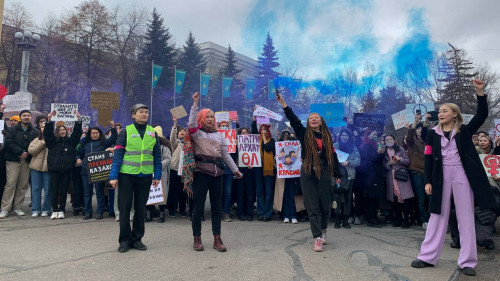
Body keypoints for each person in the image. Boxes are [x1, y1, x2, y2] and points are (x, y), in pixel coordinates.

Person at [412, 79, 497, 277]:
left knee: (465, 217)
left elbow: (481, 114)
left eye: (445, 111)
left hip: (462, 175)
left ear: (455, 115)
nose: (441, 114)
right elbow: (428, 158)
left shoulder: (465, 131)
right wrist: (427, 181)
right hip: (440, 176)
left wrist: (480, 92)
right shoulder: (433, 134)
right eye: (440, 111)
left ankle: (467, 261)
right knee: (437, 215)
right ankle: (427, 256)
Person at [278, 93, 341, 252]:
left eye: (316, 117)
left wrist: (338, 174)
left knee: (325, 206)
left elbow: (333, 156)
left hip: (324, 173)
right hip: (307, 172)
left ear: (321, 121)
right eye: (311, 117)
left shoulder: (328, 137)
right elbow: (293, 120)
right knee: (312, 206)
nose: (313, 119)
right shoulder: (303, 133)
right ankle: (317, 238)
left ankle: (324, 228)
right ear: (308, 121)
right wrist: (284, 104)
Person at [187, 92, 242, 252]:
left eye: (212, 116)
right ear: (202, 118)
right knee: (198, 208)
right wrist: (195, 104)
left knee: (217, 208)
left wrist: (236, 170)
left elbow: (225, 155)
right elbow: (191, 123)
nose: (210, 119)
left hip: (217, 174)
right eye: (207, 116)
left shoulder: (219, 135)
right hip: (202, 173)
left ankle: (217, 238)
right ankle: (197, 238)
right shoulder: (197, 133)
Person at [109, 104, 161, 253]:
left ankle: (137, 239)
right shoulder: (126, 131)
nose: (144, 114)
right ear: (133, 115)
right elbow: (118, 155)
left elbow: (156, 155)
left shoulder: (152, 132)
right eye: (141, 112)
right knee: (124, 209)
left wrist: (157, 175)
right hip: (126, 176)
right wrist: (113, 176)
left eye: (146, 112)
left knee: (140, 209)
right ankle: (124, 240)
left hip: (145, 176)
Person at [0, 110, 39, 219]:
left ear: (30, 118)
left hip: (27, 161)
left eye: (28, 116)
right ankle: (5, 209)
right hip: (13, 160)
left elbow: (36, 145)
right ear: (21, 118)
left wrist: (27, 154)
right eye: (24, 115)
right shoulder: (12, 130)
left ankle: (17, 207)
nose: (26, 117)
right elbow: (8, 143)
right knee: (10, 184)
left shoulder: (35, 132)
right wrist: (20, 152)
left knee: (23, 185)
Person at [44, 110, 83, 220]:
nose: (62, 131)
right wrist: (49, 121)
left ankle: (61, 209)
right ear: (57, 132)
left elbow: (77, 134)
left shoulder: (70, 142)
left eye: (64, 130)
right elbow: (47, 134)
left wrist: (78, 120)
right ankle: (54, 210)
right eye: (60, 130)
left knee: (64, 190)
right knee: (54, 190)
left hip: (66, 170)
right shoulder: (52, 143)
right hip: (54, 170)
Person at [78, 123, 117, 220]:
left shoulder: (104, 143)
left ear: (100, 134)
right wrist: (78, 158)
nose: (95, 135)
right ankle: (88, 212)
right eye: (93, 133)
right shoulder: (85, 144)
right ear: (89, 135)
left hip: (98, 172)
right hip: (86, 171)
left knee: (99, 192)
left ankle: (100, 212)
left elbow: (113, 139)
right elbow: (79, 154)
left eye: (97, 133)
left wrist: (113, 128)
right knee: (87, 193)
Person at [382, 135, 414, 228]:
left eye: (391, 139)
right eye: (387, 140)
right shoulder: (383, 152)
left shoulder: (401, 149)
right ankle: (398, 219)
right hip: (390, 177)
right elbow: (382, 165)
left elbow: (408, 161)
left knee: (405, 199)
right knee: (394, 199)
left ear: (394, 140)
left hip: (401, 176)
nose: (389, 141)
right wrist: (389, 163)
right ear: (384, 142)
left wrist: (400, 159)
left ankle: (406, 220)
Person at [356, 130, 386, 227]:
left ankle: (374, 217)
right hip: (369, 176)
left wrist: (381, 154)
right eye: (373, 134)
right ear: (368, 135)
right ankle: (370, 218)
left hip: (376, 175)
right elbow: (368, 160)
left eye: (376, 134)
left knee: (375, 198)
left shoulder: (375, 145)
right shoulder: (366, 146)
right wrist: (378, 153)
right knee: (371, 198)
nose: (375, 136)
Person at [406, 114, 430, 229]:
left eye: (421, 129)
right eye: (418, 129)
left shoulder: (428, 141)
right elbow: (409, 137)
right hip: (417, 172)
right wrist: (415, 122)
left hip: (428, 172)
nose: (420, 130)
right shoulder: (412, 142)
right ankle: (424, 220)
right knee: (421, 198)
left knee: (431, 198)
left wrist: (425, 123)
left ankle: (433, 219)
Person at [333, 128, 360, 229]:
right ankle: (337, 219)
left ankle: (345, 220)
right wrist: (336, 163)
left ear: (349, 137)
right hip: (337, 176)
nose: (344, 137)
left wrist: (349, 162)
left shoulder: (353, 147)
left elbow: (358, 160)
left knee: (348, 198)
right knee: (337, 198)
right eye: (343, 135)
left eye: (346, 135)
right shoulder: (334, 146)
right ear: (340, 136)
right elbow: (329, 159)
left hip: (349, 176)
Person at [251, 114, 276, 222]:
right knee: (260, 190)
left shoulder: (272, 141)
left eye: (264, 129)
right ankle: (261, 213)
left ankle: (268, 213)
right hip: (258, 168)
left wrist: (265, 138)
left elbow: (267, 148)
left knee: (269, 191)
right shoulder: (256, 141)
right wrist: (254, 120)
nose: (262, 131)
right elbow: (253, 130)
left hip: (269, 169)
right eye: (261, 129)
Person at [145, 125, 171, 223]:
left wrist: (158, 166)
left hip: (161, 173)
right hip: (148, 172)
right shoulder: (147, 146)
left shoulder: (164, 148)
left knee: (161, 193)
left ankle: (161, 213)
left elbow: (168, 159)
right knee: (149, 194)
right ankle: (149, 213)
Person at [28, 122, 51, 217]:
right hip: (36, 168)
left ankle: (46, 209)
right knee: (35, 189)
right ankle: (35, 209)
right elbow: (31, 151)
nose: (44, 128)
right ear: (40, 129)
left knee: (48, 189)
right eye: (42, 127)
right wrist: (42, 143)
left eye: (46, 127)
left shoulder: (53, 139)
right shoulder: (36, 140)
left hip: (48, 168)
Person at [167, 116, 188, 218]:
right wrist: (175, 125)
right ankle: (172, 209)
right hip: (175, 169)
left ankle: (183, 210)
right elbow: (172, 138)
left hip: (185, 169)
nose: (183, 133)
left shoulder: (189, 144)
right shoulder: (175, 143)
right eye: (181, 132)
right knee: (173, 190)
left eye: (185, 131)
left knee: (183, 191)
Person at [235, 127, 255, 221]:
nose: (245, 134)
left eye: (246, 132)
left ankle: (250, 213)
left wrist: (253, 164)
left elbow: (256, 157)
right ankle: (240, 213)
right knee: (240, 192)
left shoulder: (253, 143)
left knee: (250, 192)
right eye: (243, 133)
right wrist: (236, 146)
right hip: (240, 170)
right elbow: (233, 156)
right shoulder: (237, 144)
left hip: (250, 170)